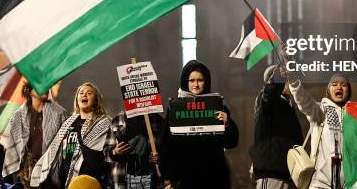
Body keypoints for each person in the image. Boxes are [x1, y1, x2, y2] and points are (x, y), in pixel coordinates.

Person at [159, 60, 239, 188]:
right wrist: (168, 176)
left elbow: (231, 142)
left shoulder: (218, 107)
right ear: (186, 82)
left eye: (200, 80)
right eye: (191, 81)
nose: (195, 85)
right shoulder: (175, 108)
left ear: (206, 81)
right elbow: (166, 145)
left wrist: (228, 124)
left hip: (214, 178)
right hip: (184, 178)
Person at [30, 83, 111, 189]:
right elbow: (57, 151)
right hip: (66, 181)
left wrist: (80, 135)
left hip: (89, 182)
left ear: (96, 100)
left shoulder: (103, 122)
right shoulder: (68, 123)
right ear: (77, 99)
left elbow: (98, 159)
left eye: (89, 93)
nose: (84, 95)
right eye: (81, 93)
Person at [287, 72, 351, 189]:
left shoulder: (354, 115)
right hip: (320, 183)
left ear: (349, 90)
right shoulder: (320, 111)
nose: (339, 87)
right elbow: (303, 100)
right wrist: (293, 79)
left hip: (348, 184)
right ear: (328, 90)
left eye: (344, 85)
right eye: (334, 84)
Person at [2, 82, 69, 188]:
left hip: (50, 171)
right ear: (29, 91)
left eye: (46, 86)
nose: (45, 88)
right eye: (40, 86)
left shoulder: (59, 113)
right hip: (27, 172)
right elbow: (10, 144)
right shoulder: (19, 115)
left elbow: (66, 143)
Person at [249, 65, 303, 189]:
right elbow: (269, 94)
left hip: (284, 172)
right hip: (272, 171)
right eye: (288, 79)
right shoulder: (267, 101)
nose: (292, 82)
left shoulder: (285, 104)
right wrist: (278, 75)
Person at [106, 112, 163, 189]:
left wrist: (160, 157)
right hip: (123, 178)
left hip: (152, 178)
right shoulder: (118, 120)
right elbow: (106, 153)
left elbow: (169, 149)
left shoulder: (156, 119)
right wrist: (115, 151)